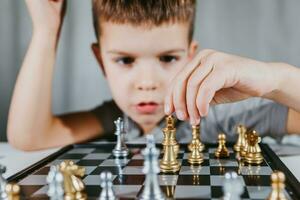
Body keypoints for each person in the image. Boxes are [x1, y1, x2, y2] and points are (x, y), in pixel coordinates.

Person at [7, 0, 300, 151]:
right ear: (100, 61)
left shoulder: (218, 118)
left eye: (167, 58)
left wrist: (275, 78)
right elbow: (29, 137)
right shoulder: (115, 120)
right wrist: (46, 30)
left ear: (190, 55)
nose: (147, 82)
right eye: (125, 60)